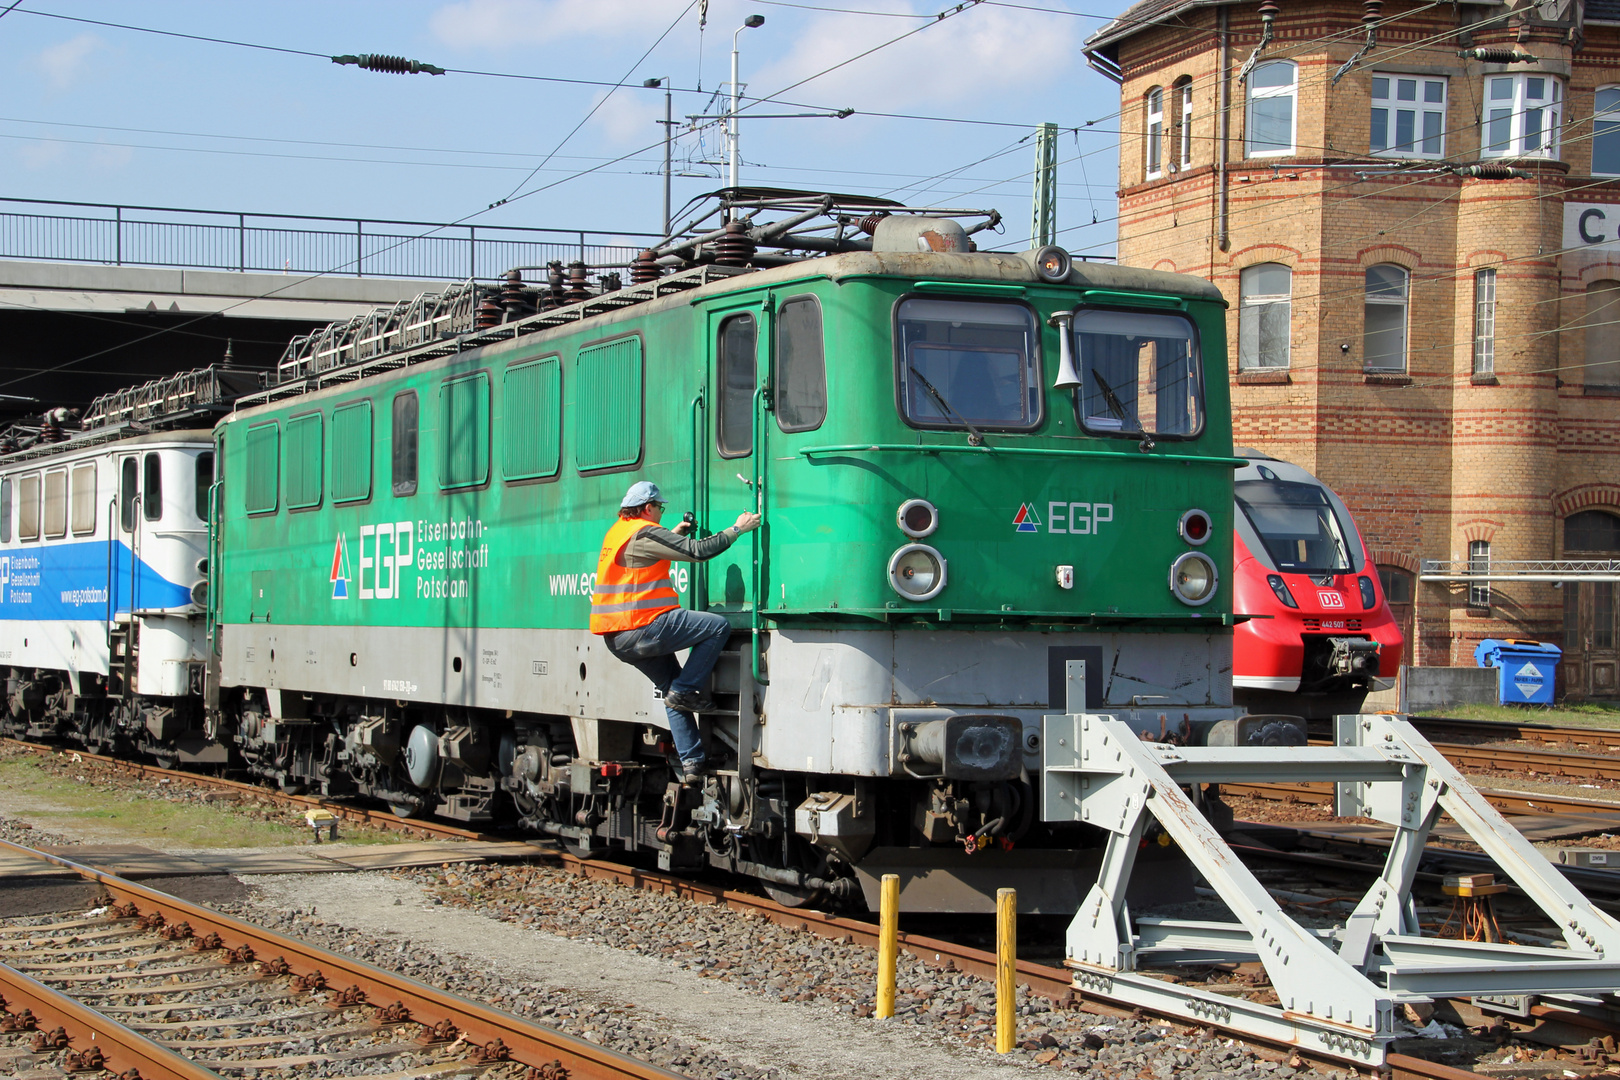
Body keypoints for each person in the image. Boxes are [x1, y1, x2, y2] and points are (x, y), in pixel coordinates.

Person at [590, 480, 760, 782]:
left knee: (670, 691)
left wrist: (673, 537)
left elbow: (640, 560)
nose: (661, 513)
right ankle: (686, 690)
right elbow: (698, 552)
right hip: (643, 626)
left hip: (616, 638)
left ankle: (693, 764)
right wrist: (738, 529)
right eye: (660, 508)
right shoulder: (644, 531)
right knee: (716, 627)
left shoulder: (618, 532)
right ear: (647, 508)